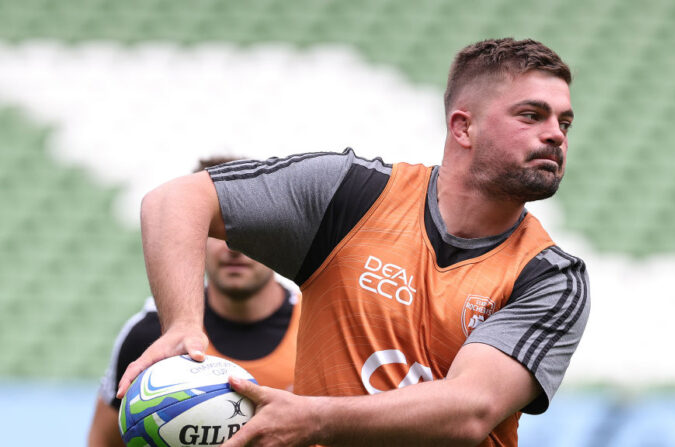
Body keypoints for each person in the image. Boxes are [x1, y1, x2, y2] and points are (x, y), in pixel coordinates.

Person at [118, 37, 590, 447]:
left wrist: (313, 419)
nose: (555, 135)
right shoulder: (350, 196)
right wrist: (181, 324)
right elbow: (172, 201)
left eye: (564, 123)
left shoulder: (550, 277)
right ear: (463, 127)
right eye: (532, 115)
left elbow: (470, 410)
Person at [87, 157, 301, 447]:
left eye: (249, 229)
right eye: (217, 231)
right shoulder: (150, 334)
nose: (233, 247)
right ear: (191, 239)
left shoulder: (318, 327)